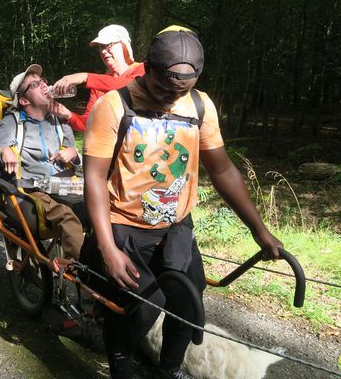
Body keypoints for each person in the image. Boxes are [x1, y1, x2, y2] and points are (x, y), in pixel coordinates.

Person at [83, 26, 282, 379]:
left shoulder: (200, 106)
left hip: (175, 226)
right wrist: (107, 247)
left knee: (188, 304)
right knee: (139, 306)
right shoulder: (114, 105)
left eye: (181, 90)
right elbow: (94, 178)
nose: (170, 98)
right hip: (124, 227)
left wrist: (259, 230)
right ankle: (121, 365)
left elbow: (223, 171)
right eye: (163, 89)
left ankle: (169, 370)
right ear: (146, 68)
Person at [0, 64, 84, 263]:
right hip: (30, 189)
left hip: (61, 184)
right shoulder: (12, 123)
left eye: (42, 81)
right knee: (67, 219)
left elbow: (79, 163)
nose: (44, 85)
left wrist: (74, 153)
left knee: (103, 202)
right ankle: (80, 276)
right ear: (24, 99)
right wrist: (2, 152)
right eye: (35, 84)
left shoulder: (59, 121)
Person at [50, 24, 145, 132]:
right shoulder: (98, 86)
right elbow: (88, 125)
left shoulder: (142, 69)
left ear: (124, 45)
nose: (103, 51)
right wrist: (66, 114)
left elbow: (129, 86)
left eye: (109, 45)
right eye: (101, 47)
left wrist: (84, 76)